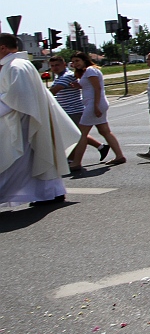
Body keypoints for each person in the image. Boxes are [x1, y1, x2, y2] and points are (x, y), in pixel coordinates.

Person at [1, 34, 80, 207]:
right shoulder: (17, 64)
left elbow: (16, 98)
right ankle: (51, 192)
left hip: (22, 123)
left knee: (13, 162)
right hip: (24, 121)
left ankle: (50, 192)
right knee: (34, 161)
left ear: (2, 48)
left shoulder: (15, 67)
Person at [67, 52, 126, 171]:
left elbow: (97, 88)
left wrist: (96, 106)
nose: (75, 64)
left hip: (94, 104)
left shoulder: (90, 70)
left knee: (81, 134)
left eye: (77, 61)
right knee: (105, 131)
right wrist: (78, 86)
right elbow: (89, 87)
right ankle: (119, 156)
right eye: (73, 62)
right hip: (95, 103)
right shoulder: (87, 71)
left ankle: (76, 162)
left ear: (84, 60)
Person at [47, 55, 107, 160]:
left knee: (75, 135)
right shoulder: (59, 76)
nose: (55, 68)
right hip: (66, 110)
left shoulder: (67, 75)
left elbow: (54, 90)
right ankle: (101, 147)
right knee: (77, 134)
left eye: (57, 65)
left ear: (64, 65)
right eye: (52, 66)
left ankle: (72, 158)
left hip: (74, 110)